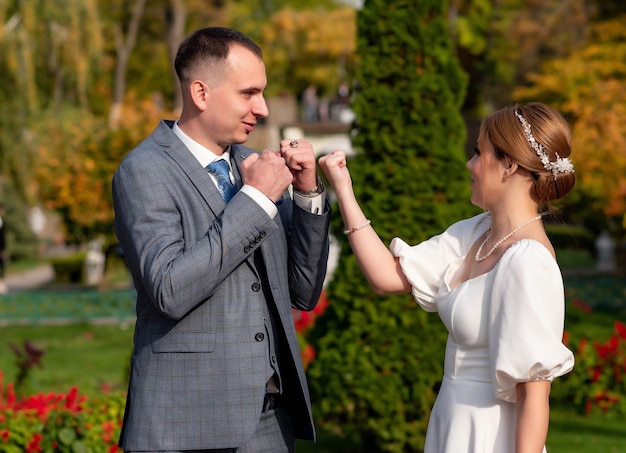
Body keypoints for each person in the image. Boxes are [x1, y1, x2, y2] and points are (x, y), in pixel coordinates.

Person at [112, 27, 331, 453]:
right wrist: (254, 199)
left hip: (270, 421)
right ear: (201, 92)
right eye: (249, 93)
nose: (263, 109)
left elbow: (303, 292)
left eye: (263, 93)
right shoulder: (143, 170)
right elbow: (169, 289)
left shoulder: (253, 165)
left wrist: (306, 193)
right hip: (186, 422)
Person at [319, 102, 576, 453]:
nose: (469, 165)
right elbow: (386, 277)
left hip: (491, 435)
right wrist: (342, 186)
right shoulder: (475, 233)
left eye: (478, 152)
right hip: (450, 423)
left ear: (509, 166)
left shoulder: (528, 261)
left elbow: (534, 393)